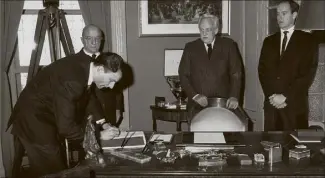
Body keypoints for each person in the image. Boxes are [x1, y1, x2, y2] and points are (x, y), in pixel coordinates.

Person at [7, 29, 122, 177]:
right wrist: (99, 136)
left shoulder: (87, 68)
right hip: (33, 120)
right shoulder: (72, 81)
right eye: (111, 80)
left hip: (43, 115)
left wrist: (104, 124)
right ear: (100, 69)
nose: (112, 87)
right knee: (54, 170)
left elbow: (88, 98)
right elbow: (66, 128)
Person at [258, 0, 318, 131]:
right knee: (271, 146)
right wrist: (272, 97)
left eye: (284, 13)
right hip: (272, 107)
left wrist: (285, 96)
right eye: (278, 13)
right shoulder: (268, 41)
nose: (279, 17)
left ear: (294, 15)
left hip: (294, 107)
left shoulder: (308, 41)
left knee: (295, 148)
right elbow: (262, 72)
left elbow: (307, 74)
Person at [178, 14, 243, 122]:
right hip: (197, 106)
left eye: (208, 30)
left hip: (223, 105)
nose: (204, 33)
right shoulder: (190, 48)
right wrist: (195, 96)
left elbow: (236, 73)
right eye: (201, 30)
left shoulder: (229, 45)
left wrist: (234, 96)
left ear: (216, 30)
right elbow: (183, 75)